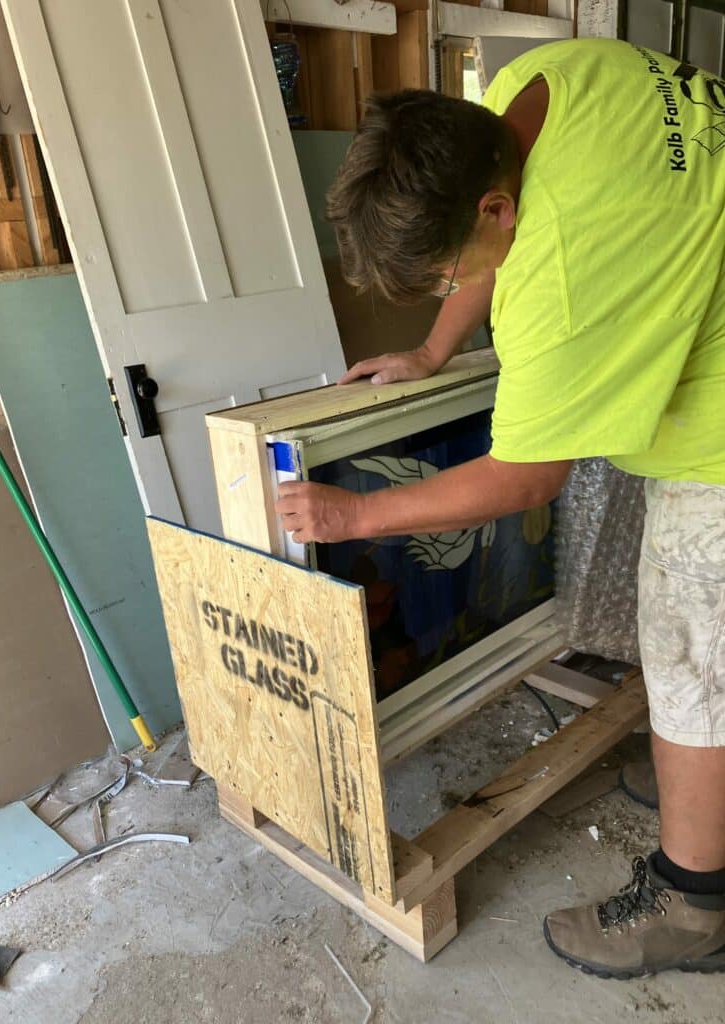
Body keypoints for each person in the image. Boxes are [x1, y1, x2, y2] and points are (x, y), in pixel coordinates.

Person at [275, 38, 725, 978]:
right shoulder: (540, 86)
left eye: (445, 275)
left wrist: (352, 519)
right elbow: (484, 248)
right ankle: (707, 786)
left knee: (690, 653)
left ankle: (693, 905)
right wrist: (434, 353)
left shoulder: (562, 284)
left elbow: (523, 481)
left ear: (497, 207)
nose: (453, 287)